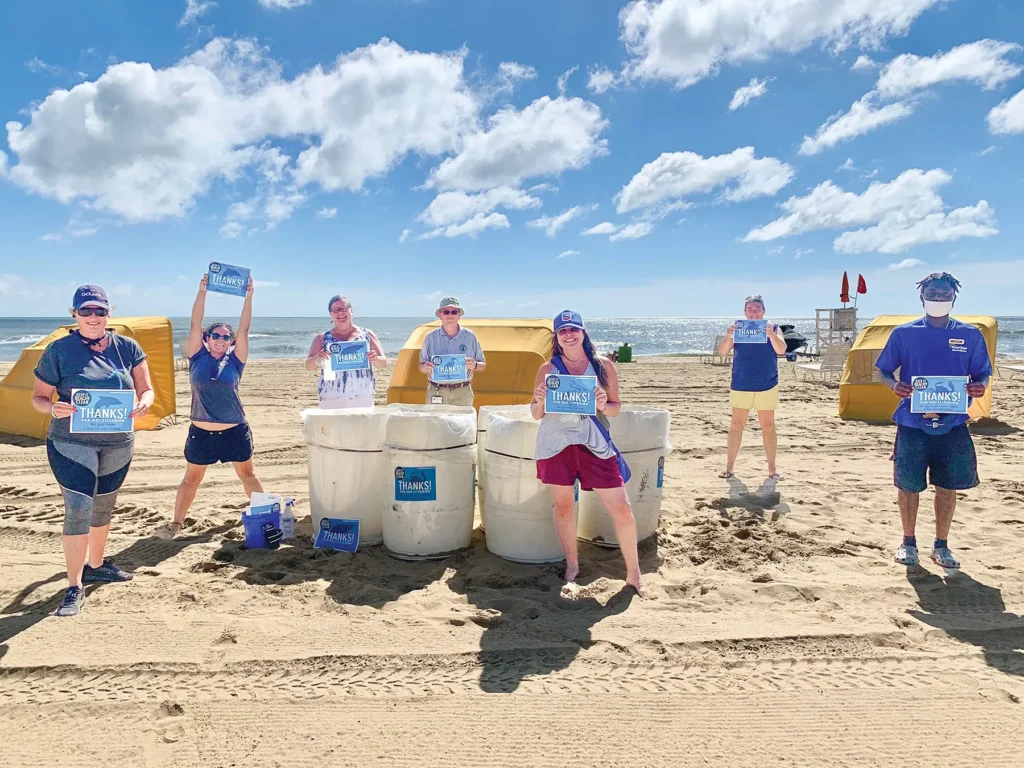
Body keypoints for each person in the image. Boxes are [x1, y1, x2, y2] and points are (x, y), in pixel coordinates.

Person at [31, 285, 155, 617]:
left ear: (108, 313)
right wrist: (53, 408)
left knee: (104, 507)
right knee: (79, 509)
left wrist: (144, 402)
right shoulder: (59, 350)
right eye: (85, 311)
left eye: (99, 311)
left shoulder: (127, 347)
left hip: (118, 442)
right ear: (74, 314)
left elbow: (146, 389)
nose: (93, 317)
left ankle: (96, 564)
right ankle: (74, 586)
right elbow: (39, 398)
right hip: (72, 443)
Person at [875, 272, 991, 570]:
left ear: (954, 297)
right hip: (912, 423)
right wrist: (894, 386)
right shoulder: (904, 333)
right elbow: (884, 370)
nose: (938, 298)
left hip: (953, 422)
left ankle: (941, 545)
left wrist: (980, 386)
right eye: (933, 292)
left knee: (947, 485)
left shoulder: (970, 334)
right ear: (922, 296)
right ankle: (908, 542)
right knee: (908, 485)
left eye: (944, 293)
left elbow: (982, 373)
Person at [531, 310, 644, 597]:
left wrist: (604, 404)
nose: (569, 335)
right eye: (562, 331)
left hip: (595, 444)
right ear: (556, 337)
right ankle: (572, 564)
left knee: (621, 508)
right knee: (564, 506)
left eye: (574, 329)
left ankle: (634, 572)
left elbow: (617, 408)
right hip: (556, 444)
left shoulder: (603, 366)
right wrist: (541, 401)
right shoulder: (547, 369)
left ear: (583, 332)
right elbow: (535, 413)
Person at [154, 274, 264, 540]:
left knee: (247, 475)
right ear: (206, 338)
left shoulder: (236, 359)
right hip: (201, 432)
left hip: (234, 430)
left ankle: (264, 519)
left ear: (231, 341)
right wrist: (201, 290)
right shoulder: (197, 356)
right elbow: (195, 323)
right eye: (215, 335)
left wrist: (249, 296)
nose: (220, 339)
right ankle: (176, 525)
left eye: (225, 337)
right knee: (191, 479)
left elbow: (245, 328)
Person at [716, 294, 788, 480]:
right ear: (745, 312)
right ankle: (729, 469)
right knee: (737, 425)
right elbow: (722, 352)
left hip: (767, 383)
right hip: (741, 383)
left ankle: (772, 470)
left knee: (768, 426)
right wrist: (728, 335)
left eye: (757, 308)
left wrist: (771, 335)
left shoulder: (773, 328)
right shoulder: (738, 328)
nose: (754, 312)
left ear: (763, 310)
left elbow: (781, 349)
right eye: (750, 309)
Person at [304, 295, 387, 408]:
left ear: (351, 310)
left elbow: (383, 363)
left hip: (362, 397)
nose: (340, 313)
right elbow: (309, 366)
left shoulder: (367, 335)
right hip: (331, 397)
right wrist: (317, 359)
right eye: (335, 310)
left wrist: (375, 358)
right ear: (331, 314)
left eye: (344, 308)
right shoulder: (322, 337)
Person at [419, 297, 486, 406]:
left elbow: (482, 365)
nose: (450, 315)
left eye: (454, 312)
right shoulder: (430, 337)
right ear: (440, 315)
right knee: (435, 422)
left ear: (459, 315)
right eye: (446, 312)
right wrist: (424, 367)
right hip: (436, 391)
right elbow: (421, 366)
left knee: (462, 423)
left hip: (463, 392)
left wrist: (475, 365)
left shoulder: (470, 336)